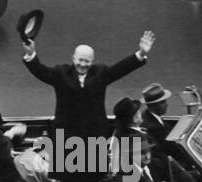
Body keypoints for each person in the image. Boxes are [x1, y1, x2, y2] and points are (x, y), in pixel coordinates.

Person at [22, 30, 155, 152]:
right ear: (73, 58)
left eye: (87, 61)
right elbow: (41, 72)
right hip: (67, 134)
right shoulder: (61, 73)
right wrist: (30, 54)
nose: (83, 64)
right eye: (80, 60)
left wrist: (141, 53)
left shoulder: (100, 73)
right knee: (67, 175)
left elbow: (120, 69)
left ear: (92, 61)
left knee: (93, 174)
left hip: (94, 134)